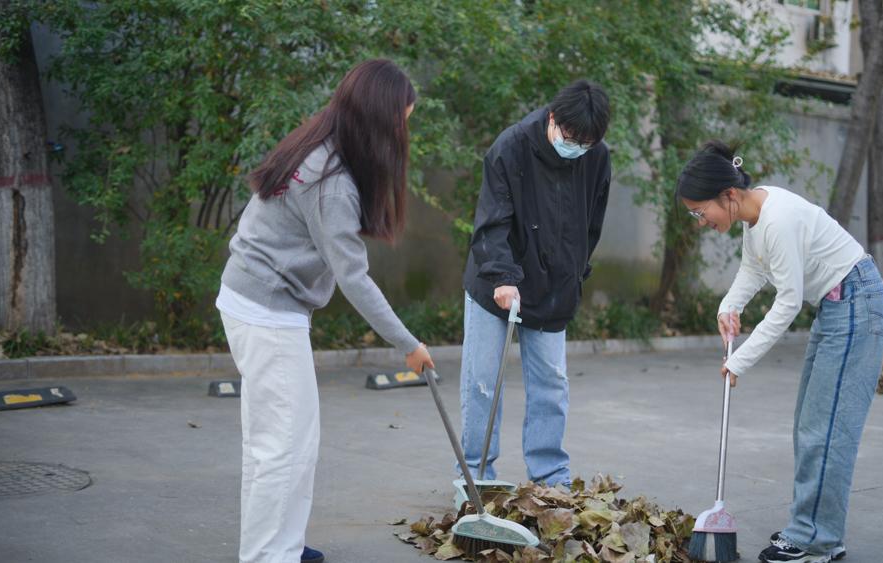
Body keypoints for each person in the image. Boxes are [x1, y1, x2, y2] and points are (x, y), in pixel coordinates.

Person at [216, 59, 434, 563]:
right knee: (283, 447)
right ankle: (270, 556)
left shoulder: (321, 145)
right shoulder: (331, 180)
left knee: (281, 441)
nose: (405, 132)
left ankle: (281, 545)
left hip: (259, 304)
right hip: (267, 312)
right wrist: (409, 344)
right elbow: (354, 277)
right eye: (403, 120)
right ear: (380, 120)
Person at [677, 141, 883, 563]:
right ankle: (815, 530)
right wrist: (729, 305)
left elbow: (788, 302)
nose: (700, 222)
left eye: (701, 212)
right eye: (694, 215)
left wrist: (740, 359)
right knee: (810, 426)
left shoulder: (778, 220)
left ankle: (817, 539)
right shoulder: (754, 217)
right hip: (837, 307)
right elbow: (754, 268)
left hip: (856, 303)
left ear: (729, 196)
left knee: (825, 431)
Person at [460, 79, 612, 486]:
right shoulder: (510, 148)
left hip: (555, 286)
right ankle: (477, 477)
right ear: (552, 119)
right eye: (570, 138)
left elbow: (590, 225)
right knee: (482, 384)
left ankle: (550, 477)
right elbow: (492, 223)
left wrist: (575, 271)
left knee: (551, 386)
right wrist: (504, 278)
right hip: (497, 284)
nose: (576, 147)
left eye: (586, 143)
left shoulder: (596, 157)